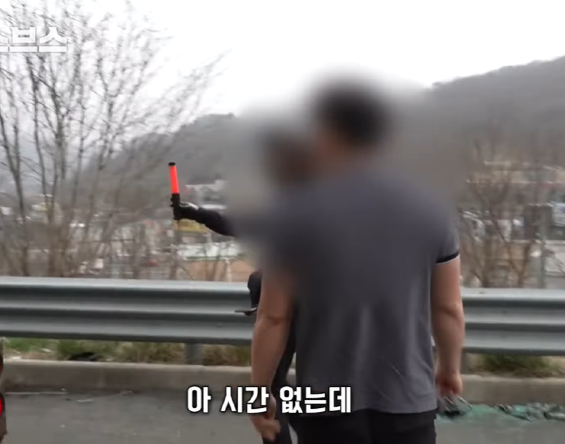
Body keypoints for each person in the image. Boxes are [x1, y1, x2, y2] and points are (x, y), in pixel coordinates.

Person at [248, 80, 466, 444]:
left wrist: (259, 393)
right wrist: (450, 367)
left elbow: (273, 317)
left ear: (327, 134)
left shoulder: (295, 212)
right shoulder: (431, 212)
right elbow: (448, 308)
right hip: (409, 403)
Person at [172, 124, 313, 444]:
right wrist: (196, 212)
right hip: (319, 313)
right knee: (296, 389)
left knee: (273, 390)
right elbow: (239, 223)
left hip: (295, 311)